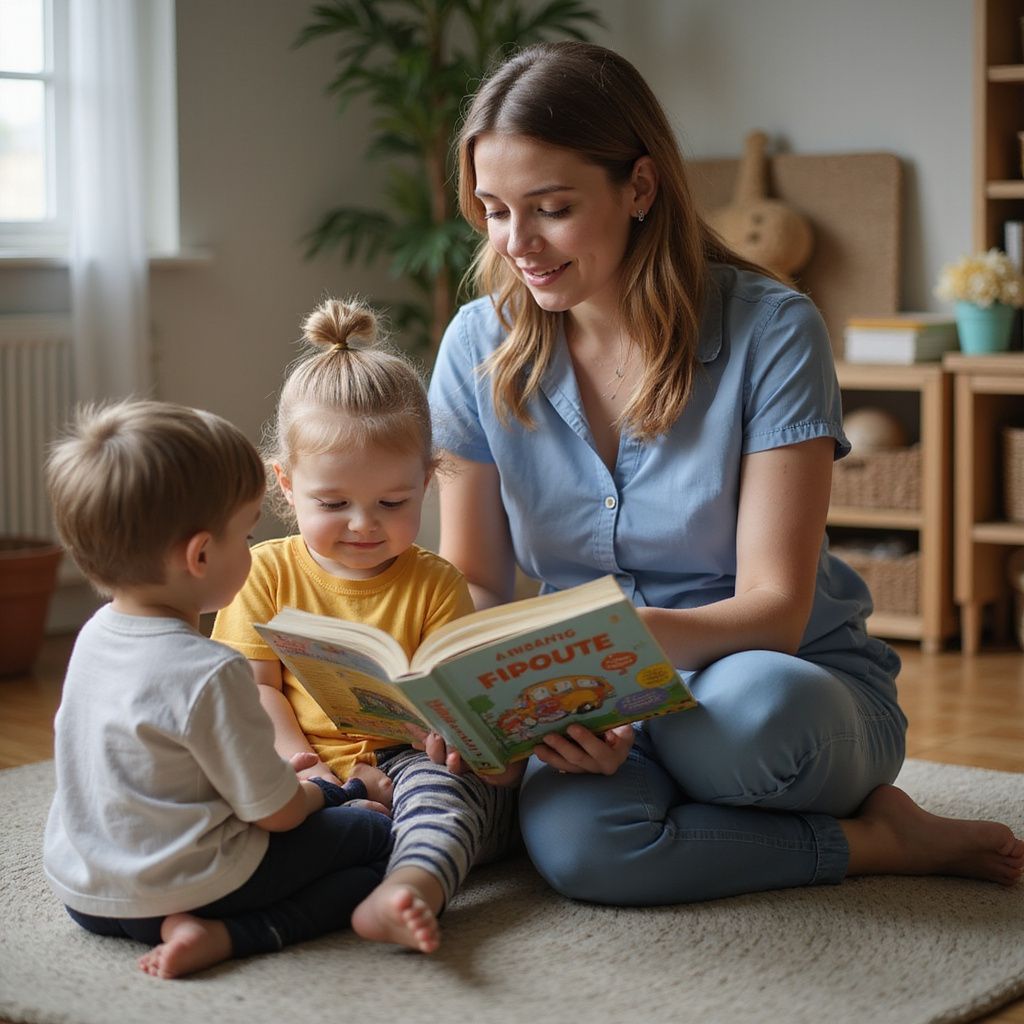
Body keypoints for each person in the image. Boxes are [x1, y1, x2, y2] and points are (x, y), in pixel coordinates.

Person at [427, 40, 1024, 905]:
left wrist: (598, 663)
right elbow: (478, 578)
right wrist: (497, 700)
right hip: (599, 699)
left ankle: (740, 786)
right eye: (492, 210)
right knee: (583, 852)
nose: (517, 242)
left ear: (639, 186)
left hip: (781, 682)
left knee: (741, 728)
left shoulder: (772, 329)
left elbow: (774, 612)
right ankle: (878, 843)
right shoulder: (476, 345)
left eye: (550, 208)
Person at [42, 400, 395, 980]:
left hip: (89, 894)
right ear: (201, 554)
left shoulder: (92, 636)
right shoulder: (212, 671)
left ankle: (172, 923)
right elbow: (277, 815)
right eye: (247, 531)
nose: (254, 545)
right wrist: (340, 789)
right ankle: (231, 934)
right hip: (200, 883)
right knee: (378, 841)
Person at [212, 297, 517, 952]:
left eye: (392, 501)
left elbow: (456, 698)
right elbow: (253, 691)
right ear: (286, 486)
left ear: (429, 481)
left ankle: (409, 887)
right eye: (333, 502)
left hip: (407, 765)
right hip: (295, 766)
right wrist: (306, 769)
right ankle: (341, 861)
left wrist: (459, 739)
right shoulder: (262, 572)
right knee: (218, 789)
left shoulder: (436, 583)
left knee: (442, 794)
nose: (362, 524)